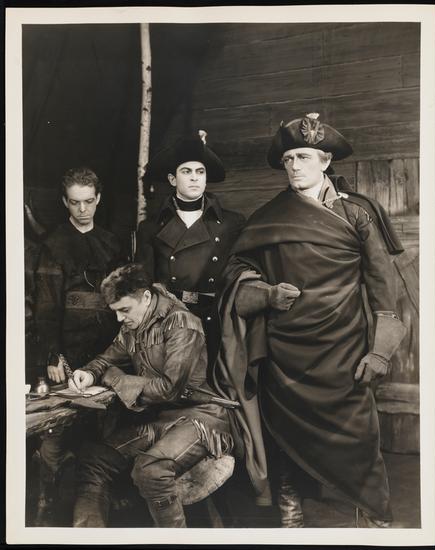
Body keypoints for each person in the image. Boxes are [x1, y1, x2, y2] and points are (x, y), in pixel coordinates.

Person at [216, 113, 407, 528]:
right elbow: (235, 272)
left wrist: (380, 351)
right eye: (288, 159)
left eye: (303, 157)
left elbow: (383, 286)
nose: (294, 166)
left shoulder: (358, 214)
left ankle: (376, 517)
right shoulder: (267, 217)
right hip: (285, 351)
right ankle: (291, 513)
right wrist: (265, 294)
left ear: (325, 161)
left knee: (360, 436)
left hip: (346, 348)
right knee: (286, 436)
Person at [70, 264, 233, 528]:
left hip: (201, 418)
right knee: (93, 459)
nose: (120, 319)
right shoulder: (133, 325)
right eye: (116, 312)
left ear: (146, 297)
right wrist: (88, 373)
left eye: (124, 310)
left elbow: (170, 388)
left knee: (151, 471)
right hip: (160, 419)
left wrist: (114, 378)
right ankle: (88, 539)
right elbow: (107, 359)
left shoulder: (182, 323)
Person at [32, 167, 124, 525]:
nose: (82, 209)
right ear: (65, 202)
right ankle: (50, 503)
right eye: (74, 203)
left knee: (105, 430)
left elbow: (122, 301)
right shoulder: (53, 246)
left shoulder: (112, 243)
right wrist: (52, 355)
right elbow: (46, 306)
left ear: (98, 199)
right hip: (66, 350)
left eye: (88, 201)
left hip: (106, 350)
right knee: (56, 432)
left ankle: (100, 499)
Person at [135, 131, 245, 370]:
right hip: (171, 323)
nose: (194, 178)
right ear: (172, 179)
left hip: (215, 321)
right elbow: (143, 286)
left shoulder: (231, 223)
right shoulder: (150, 228)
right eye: (186, 171)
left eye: (200, 172)